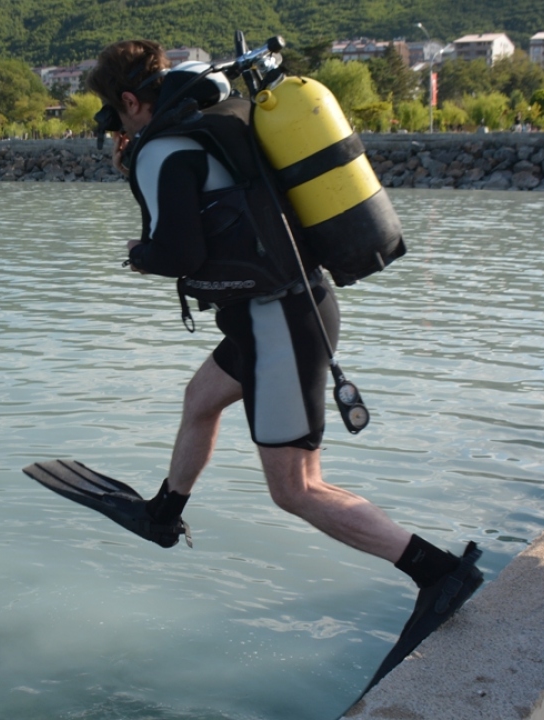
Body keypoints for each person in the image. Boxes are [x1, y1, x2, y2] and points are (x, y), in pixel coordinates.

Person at [84, 39, 483, 687]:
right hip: (267, 317)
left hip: (278, 323)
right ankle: (164, 513)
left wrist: (139, 253)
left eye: (116, 114)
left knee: (295, 489)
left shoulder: (162, 148)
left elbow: (179, 251)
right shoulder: (210, 129)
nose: (118, 128)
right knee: (201, 398)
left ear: (131, 102)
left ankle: (437, 573)